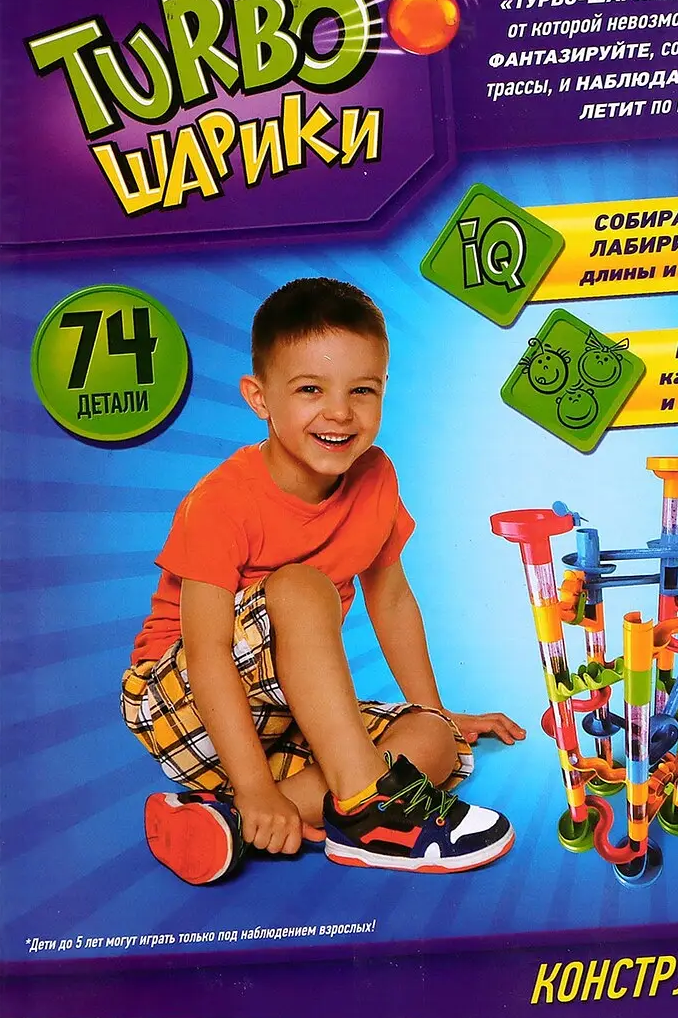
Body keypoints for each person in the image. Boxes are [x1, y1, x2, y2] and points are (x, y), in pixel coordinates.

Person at [122, 277, 526, 884]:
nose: (340, 412)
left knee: (434, 742)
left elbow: (391, 597)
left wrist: (435, 709)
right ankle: (365, 810)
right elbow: (206, 655)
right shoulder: (221, 502)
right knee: (302, 585)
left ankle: (227, 822)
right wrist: (255, 782)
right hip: (181, 699)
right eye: (310, 389)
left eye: (362, 390)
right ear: (260, 398)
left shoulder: (376, 476)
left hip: (284, 711)